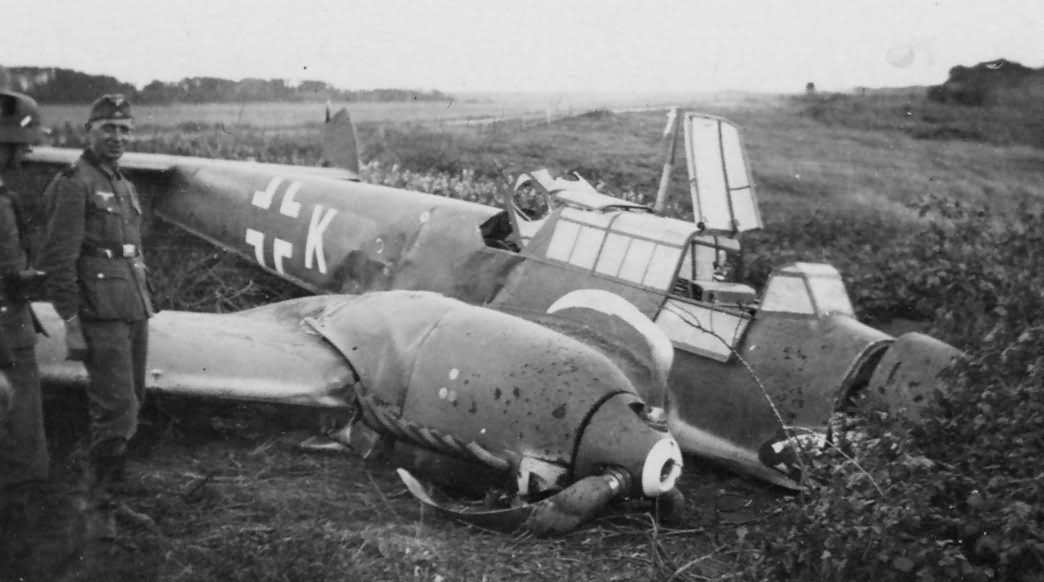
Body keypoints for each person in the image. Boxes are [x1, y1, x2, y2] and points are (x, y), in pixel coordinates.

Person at [37, 93, 154, 538]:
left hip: (132, 308)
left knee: (131, 405)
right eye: (109, 128)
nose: (118, 137)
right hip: (98, 315)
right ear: (89, 131)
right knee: (117, 412)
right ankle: (96, 509)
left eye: (126, 129)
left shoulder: (123, 183)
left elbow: (132, 253)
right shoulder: (74, 182)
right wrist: (70, 323)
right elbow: (57, 259)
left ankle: (108, 498)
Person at [0, 88, 85, 581]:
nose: (29, 152)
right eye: (22, 143)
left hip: (10, 332)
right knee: (22, 465)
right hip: (5, 348)